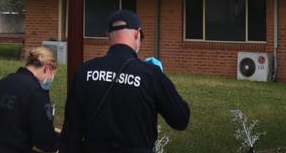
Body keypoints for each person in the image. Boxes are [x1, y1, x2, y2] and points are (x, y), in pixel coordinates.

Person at [61, 9, 190, 153]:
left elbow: (71, 131)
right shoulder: (151, 74)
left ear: (109, 36)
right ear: (137, 33)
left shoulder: (84, 72)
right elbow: (180, 119)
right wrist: (161, 81)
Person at [0, 46, 63, 153]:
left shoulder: (1, 84)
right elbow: (43, 140)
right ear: (47, 68)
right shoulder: (36, 91)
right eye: (52, 74)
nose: (51, 79)